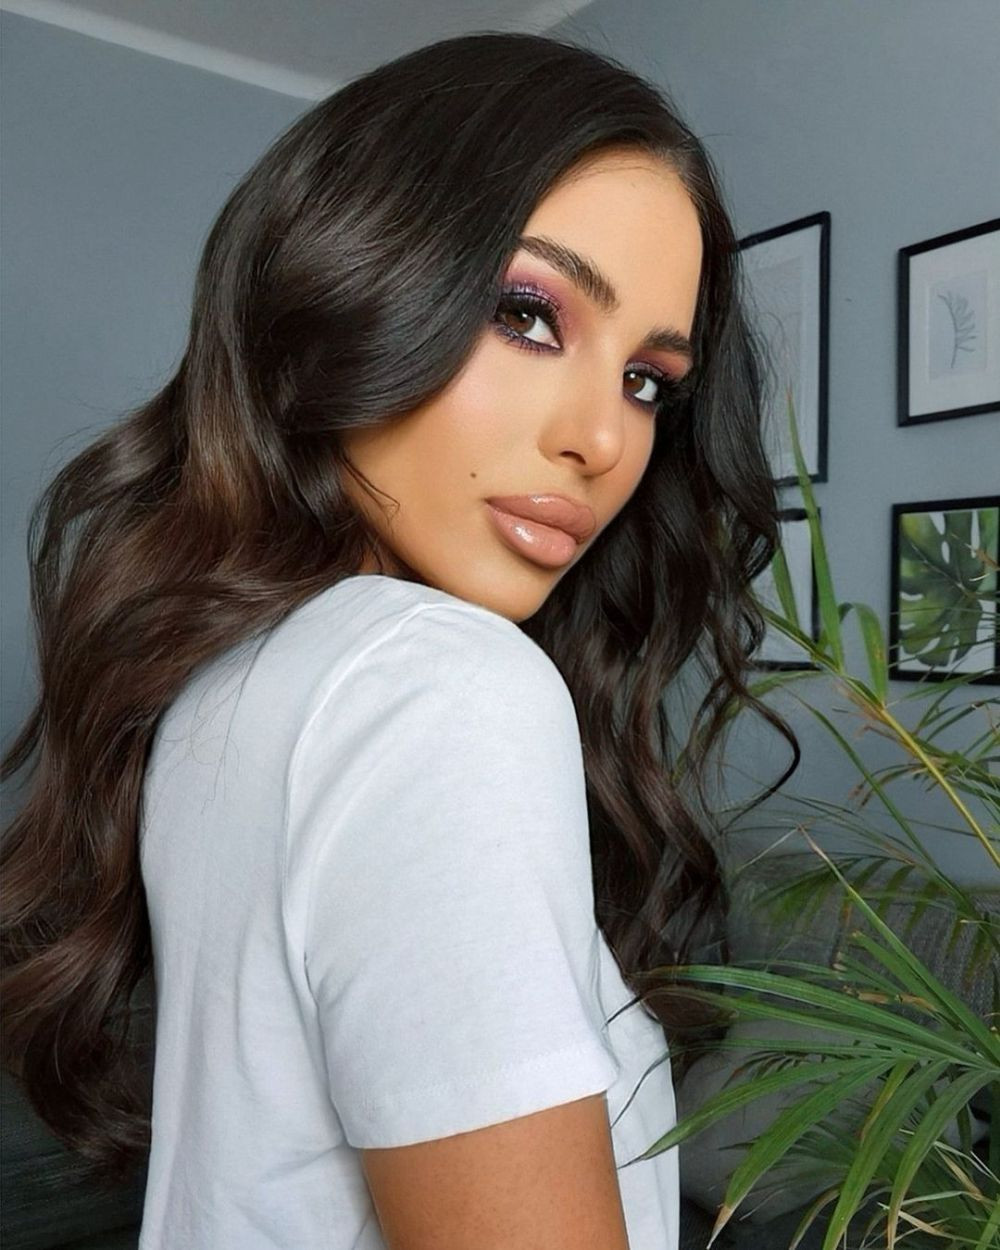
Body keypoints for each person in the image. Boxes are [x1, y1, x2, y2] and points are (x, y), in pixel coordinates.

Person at [1, 30, 799, 1250]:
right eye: (527, 313)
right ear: (347, 288)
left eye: (647, 379)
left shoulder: (244, 672)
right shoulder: (437, 686)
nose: (601, 438)